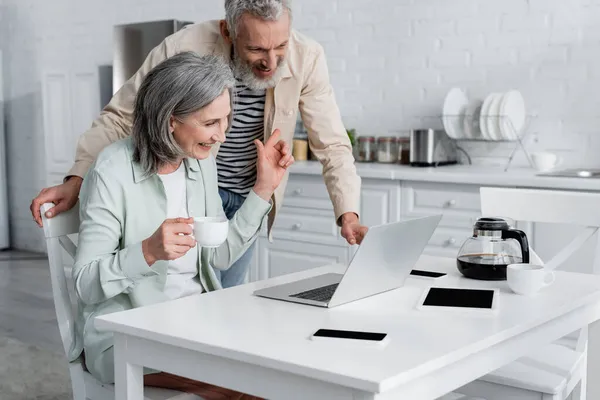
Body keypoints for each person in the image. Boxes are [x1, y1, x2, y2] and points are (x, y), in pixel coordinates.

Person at [31, 0, 367, 289]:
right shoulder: (184, 46)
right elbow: (122, 116)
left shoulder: (307, 57)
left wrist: (348, 213)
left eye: (281, 47)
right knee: (161, 285)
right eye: (256, 49)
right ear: (228, 32)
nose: (272, 62)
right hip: (189, 190)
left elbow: (333, 144)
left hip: (249, 197)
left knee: (219, 298)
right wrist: (77, 179)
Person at [72, 52, 285, 398]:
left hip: (194, 324)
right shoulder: (113, 171)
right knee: (238, 387)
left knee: (283, 369)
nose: (222, 135)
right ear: (171, 120)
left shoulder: (200, 164)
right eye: (211, 123)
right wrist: (147, 252)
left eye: (226, 120)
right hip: (128, 336)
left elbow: (220, 256)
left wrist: (263, 188)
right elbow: (85, 285)